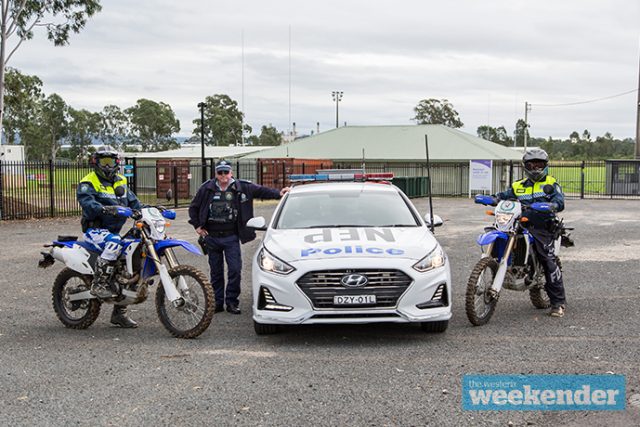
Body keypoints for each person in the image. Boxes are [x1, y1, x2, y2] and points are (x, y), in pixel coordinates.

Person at [188, 160, 289, 315]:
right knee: (216, 272)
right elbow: (193, 208)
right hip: (212, 237)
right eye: (220, 172)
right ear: (216, 173)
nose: (223, 176)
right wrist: (197, 226)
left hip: (231, 237)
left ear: (231, 173)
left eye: (226, 172)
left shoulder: (242, 187)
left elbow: (262, 191)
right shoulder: (206, 188)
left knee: (235, 270)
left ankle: (232, 302)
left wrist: (279, 193)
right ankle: (217, 302)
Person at [495, 148, 567, 317]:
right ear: (526, 166)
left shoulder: (551, 184)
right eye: (531, 164)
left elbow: (559, 201)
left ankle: (557, 303)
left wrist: (553, 205)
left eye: (539, 164)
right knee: (499, 235)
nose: (535, 168)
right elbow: (503, 196)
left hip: (543, 227)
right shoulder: (518, 185)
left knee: (548, 261)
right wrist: (491, 198)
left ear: (545, 165)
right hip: (519, 224)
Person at [76, 146, 143, 328]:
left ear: (117, 163)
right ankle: (100, 283)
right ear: (95, 162)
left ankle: (119, 313)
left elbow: (135, 202)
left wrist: (147, 210)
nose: (107, 165)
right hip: (95, 231)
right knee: (114, 243)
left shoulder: (120, 181)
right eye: (103, 161)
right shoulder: (88, 182)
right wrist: (104, 208)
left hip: (114, 232)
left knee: (134, 256)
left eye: (111, 161)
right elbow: (87, 203)